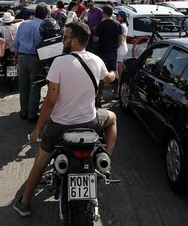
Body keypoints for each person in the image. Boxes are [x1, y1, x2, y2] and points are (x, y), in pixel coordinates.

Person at [13, 21, 118, 217]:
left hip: (60, 125)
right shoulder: (96, 60)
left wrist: (37, 130)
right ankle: (106, 160)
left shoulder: (59, 63)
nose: (63, 40)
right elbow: (109, 78)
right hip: (89, 122)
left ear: (76, 41)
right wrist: (114, 72)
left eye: (66, 37)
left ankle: (25, 201)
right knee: (112, 118)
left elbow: (50, 101)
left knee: (40, 161)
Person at [13, 3, 50, 122]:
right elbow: (40, 44)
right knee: (34, 87)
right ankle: (32, 114)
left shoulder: (23, 24)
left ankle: (23, 111)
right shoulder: (41, 26)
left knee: (23, 87)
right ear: (46, 15)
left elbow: (16, 42)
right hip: (35, 58)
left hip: (22, 58)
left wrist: (16, 55)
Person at [92, 5, 122, 105]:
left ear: (104, 13)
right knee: (115, 71)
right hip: (113, 51)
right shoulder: (118, 24)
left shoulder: (101, 25)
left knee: (102, 74)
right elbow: (120, 39)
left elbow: (96, 38)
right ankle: (116, 93)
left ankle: (100, 95)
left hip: (102, 51)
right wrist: (115, 47)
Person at [114, 10, 129, 100]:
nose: (116, 17)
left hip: (121, 48)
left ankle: (120, 85)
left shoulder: (122, 26)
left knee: (119, 68)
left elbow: (121, 39)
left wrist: (116, 47)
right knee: (120, 66)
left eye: (118, 16)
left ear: (122, 17)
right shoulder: (124, 25)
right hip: (123, 47)